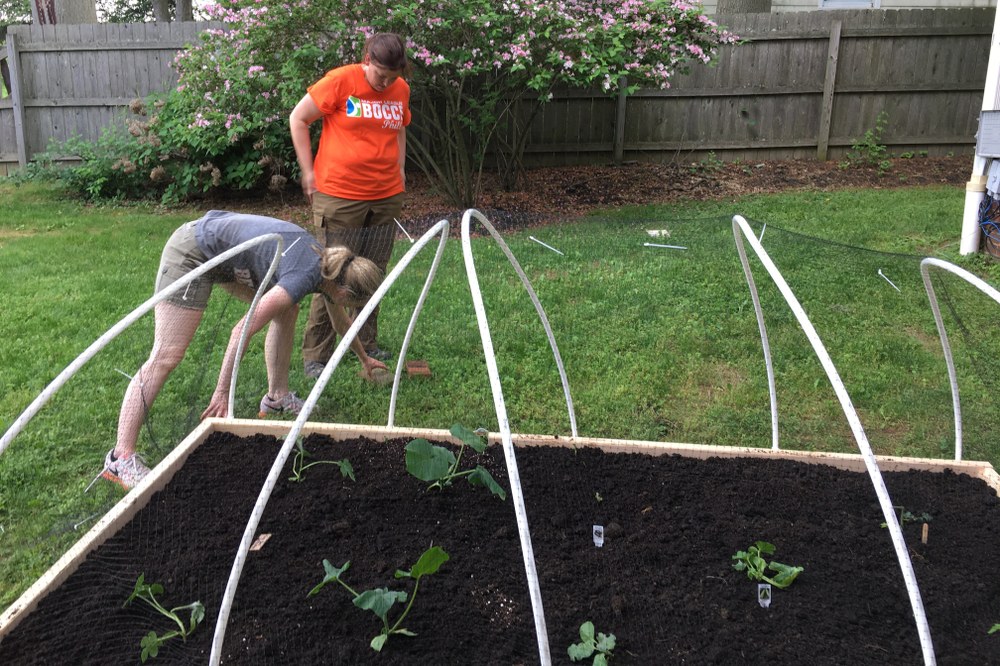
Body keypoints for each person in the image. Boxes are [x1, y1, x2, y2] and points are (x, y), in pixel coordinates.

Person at [96, 210, 387, 491]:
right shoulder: (305, 275)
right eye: (353, 303)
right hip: (194, 251)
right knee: (167, 355)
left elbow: (341, 322)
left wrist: (364, 359)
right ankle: (120, 458)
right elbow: (242, 329)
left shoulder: (331, 269)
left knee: (287, 310)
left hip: (228, 252)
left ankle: (277, 397)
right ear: (345, 292)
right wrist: (222, 392)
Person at [289, 32, 411, 378]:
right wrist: (308, 170)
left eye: (393, 76)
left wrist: (400, 167)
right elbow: (298, 119)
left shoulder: (400, 89)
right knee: (332, 274)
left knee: (372, 272)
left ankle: (367, 343)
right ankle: (318, 354)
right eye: (380, 75)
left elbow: (400, 126)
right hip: (340, 195)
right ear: (367, 60)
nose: (386, 82)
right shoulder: (341, 81)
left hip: (385, 196)